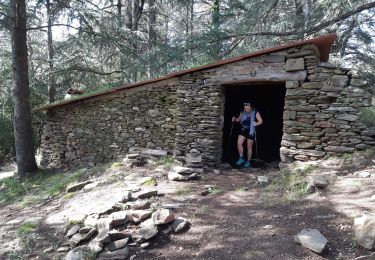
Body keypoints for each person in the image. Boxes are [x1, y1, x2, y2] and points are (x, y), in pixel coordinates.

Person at [232, 101, 263, 167]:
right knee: (239, 143)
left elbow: (261, 121)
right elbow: (239, 120)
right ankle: (241, 158)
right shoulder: (243, 111)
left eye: (247, 108)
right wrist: (235, 119)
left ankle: (248, 161)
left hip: (251, 131)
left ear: (250, 107)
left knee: (249, 146)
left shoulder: (255, 112)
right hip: (243, 130)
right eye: (245, 108)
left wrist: (256, 123)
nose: (246, 110)